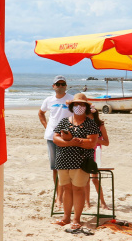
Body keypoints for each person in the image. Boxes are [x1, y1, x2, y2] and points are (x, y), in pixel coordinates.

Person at [52, 93, 99, 231]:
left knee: (78, 189)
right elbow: (55, 138)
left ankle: (76, 219)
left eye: (82, 104)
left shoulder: (91, 123)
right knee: (66, 188)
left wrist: (72, 141)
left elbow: (91, 143)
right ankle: (66, 217)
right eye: (77, 104)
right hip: (63, 160)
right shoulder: (65, 121)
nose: (80, 107)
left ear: (86, 107)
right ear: (72, 106)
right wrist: (71, 142)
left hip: (81, 161)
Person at [39, 75, 72, 204]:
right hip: (51, 137)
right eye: (57, 84)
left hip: (67, 137)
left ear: (66, 86)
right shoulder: (49, 100)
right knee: (55, 167)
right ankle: (59, 195)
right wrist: (47, 127)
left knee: (67, 167)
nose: (60, 86)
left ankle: (66, 193)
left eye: (62, 84)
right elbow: (41, 113)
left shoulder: (71, 99)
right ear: (53, 86)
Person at [87, 107, 110, 209]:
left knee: (95, 179)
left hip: (96, 154)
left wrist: (96, 140)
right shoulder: (82, 125)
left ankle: (103, 202)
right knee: (85, 180)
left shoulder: (100, 126)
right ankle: (87, 202)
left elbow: (107, 142)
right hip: (85, 152)